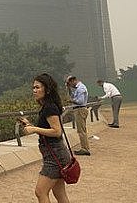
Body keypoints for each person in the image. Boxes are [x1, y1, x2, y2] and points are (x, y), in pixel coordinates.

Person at [21, 73, 71, 203]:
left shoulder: (49, 107)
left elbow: (57, 131)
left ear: (47, 90)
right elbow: (49, 128)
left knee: (40, 192)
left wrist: (34, 129)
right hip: (56, 153)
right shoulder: (47, 106)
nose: (34, 91)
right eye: (33, 88)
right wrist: (30, 125)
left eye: (37, 87)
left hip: (55, 156)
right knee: (59, 193)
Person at [65, 75, 90, 155]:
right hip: (80, 109)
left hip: (80, 109)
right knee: (83, 130)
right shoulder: (78, 89)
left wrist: (71, 101)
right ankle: (85, 147)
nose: (70, 85)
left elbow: (80, 101)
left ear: (73, 81)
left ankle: (84, 149)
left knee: (81, 130)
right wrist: (69, 89)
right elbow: (73, 96)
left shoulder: (80, 88)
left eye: (70, 84)